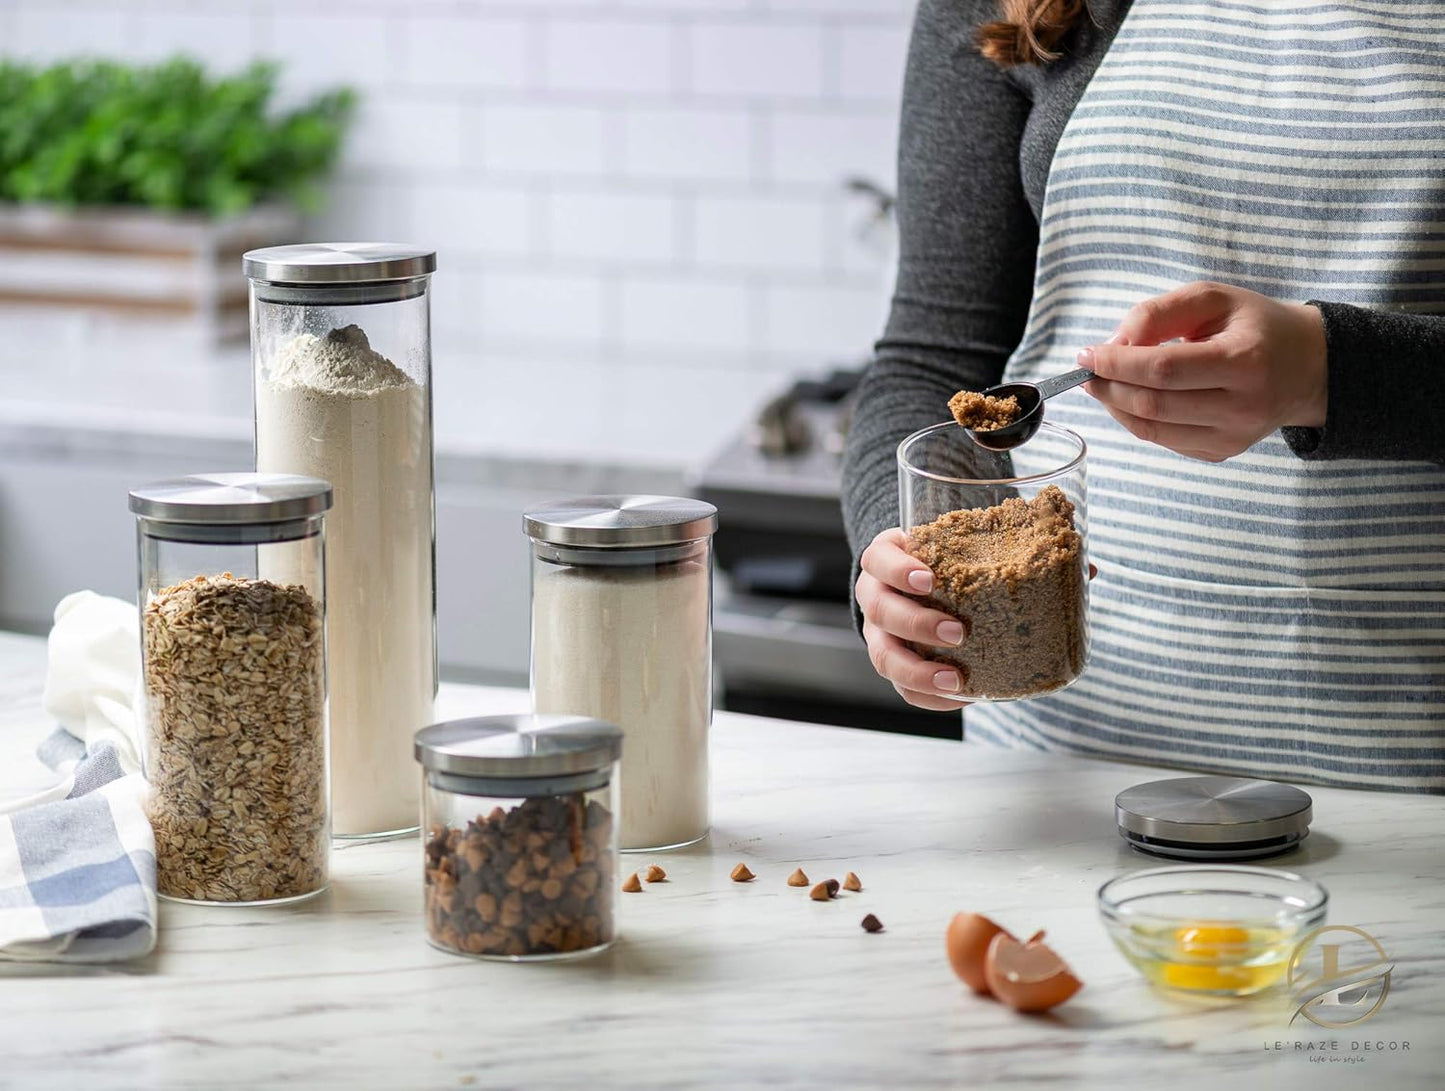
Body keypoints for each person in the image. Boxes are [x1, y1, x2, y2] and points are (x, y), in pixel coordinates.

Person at [842, 0, 1445, 793]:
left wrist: (1327, 372)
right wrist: (896, 566)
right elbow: (931, 361)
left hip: (1411, 775)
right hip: (1056, 771)